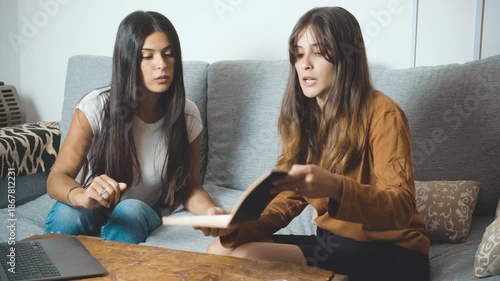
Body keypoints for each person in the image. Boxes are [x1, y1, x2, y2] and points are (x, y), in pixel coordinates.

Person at [205, 7, 430, 281]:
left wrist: (335, 187)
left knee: (246, 258)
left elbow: (401, 206)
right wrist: (236, 226)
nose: (305, 64)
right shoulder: (304, 119)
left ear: (347, 57)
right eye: (299, 54)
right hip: (333, 243)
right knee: (218, 249)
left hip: (392, 252)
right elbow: (288, 197)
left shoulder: (384, 114)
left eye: (319, 51)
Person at [45, 10, 222, 244]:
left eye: (168, 55)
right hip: (95, 206)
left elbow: (189, 187)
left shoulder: (187, 115)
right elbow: (57, 176)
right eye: (147, 56)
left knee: (129, 210)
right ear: (128, 61)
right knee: (66, 215)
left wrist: (210, 211)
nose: (162, 65)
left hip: (141, 212)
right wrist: (82, 196)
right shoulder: (96, 107)